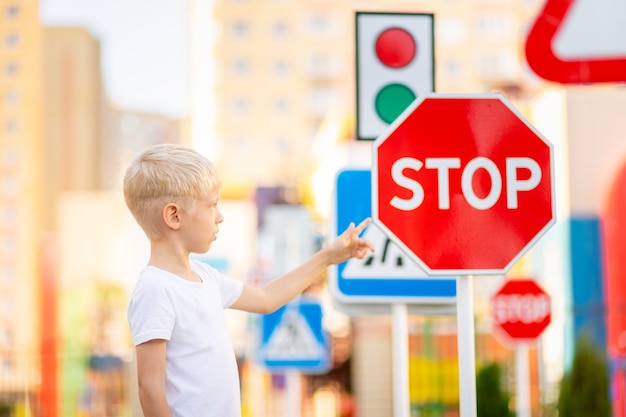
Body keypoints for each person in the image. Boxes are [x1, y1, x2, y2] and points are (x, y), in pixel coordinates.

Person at [123, 143, 374, 417]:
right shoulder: (155, 288)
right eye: (212, 205)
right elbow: (149, 389)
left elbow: (266, 299)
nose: (220, 217)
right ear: (174, 215)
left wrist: (327, 257)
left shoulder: (206, 277)